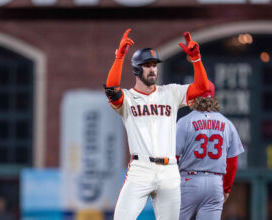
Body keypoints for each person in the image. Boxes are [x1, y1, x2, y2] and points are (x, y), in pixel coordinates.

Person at [104, 28, 210, 220]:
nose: (152, 68)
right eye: (147, 65)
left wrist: (196, 59)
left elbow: (202, 88)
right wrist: (119, 57)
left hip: (169, 170)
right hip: (141, 168)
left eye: (154, 65)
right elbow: (112, 90)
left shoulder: (171, 93)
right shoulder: (128, 99)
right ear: (137, 68)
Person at [176, 81, 244, 220]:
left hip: (189, 180)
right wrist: (226, 189)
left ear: (194, 96)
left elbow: (173, 158)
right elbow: (232, 162)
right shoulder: (227, 124)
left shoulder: (185, 122)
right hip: (215, 182)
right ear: (213, 98)